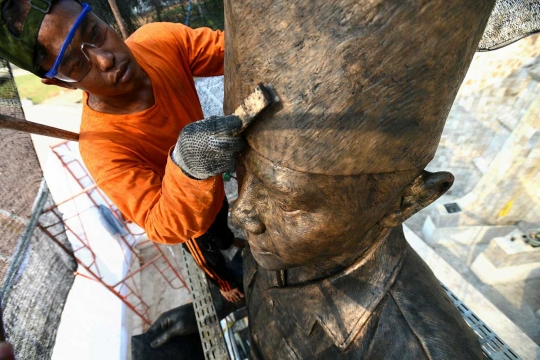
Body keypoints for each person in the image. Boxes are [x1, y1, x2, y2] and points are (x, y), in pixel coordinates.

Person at [0, 0, 244, 303]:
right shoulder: (102, 148)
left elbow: (236, 48)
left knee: (221, 222)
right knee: (208, 248)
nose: (105, 60)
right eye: (76, 64)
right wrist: (189, 167)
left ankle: (229, 239)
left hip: (212, 188)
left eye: (94, 32)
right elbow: (160, 222)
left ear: (100, 18)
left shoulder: (159, 40)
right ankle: (223, 284)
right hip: (187, 215)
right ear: (56, 82)